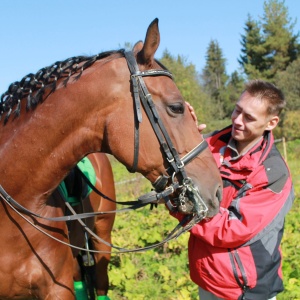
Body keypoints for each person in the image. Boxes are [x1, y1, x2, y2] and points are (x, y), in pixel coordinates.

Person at [173, 80, 295, 300]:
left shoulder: (273, 173)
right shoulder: (209, 145)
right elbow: (178, 175)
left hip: (244, 289)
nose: (238, 120)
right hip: (207, 278)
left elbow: (231, 229)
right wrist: (184, 134)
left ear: (271, 122)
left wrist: (182, 205)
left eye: (249, 117)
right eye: (237, 110)